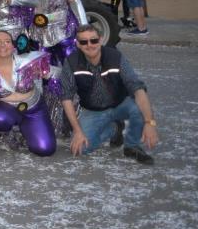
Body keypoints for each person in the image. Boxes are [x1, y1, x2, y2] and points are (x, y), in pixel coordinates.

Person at [59, 24, 158, 164]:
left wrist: (150, 123)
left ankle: (132, 146)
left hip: (120, 104)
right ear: (78, 44)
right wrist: (78, 131)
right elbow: (66, 97)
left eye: (93, 40)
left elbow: (137, 88)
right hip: (93, 110)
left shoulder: (115, 57)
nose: (89, 45)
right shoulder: (71, 62)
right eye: (84, 42)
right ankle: (114, 128)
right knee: (81, 148)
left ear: (100, 40)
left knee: (138, 108)